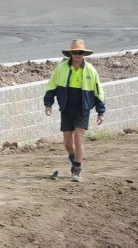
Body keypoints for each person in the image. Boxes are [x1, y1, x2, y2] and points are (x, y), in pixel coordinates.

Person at [43, 39, 106, 182]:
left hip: (82, 109)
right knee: (67, 143)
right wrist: (48, 104)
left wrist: (101, 112)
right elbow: (51, 86)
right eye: (75, 52)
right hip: (66, 108)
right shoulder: (61, 68)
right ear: (71, 53)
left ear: (84, 54)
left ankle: (77, 170)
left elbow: (98, 91)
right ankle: (74, 160)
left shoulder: (90, 70)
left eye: (80, 52)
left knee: (78, 137)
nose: (77, 55)